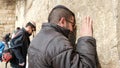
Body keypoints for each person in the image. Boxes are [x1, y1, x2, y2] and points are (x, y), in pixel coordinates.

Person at [28, 5, 98, 68]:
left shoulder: (37, 38)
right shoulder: (58, 43)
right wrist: (86, 39)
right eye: (72, 24)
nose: (72, 29)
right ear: (62, 21)